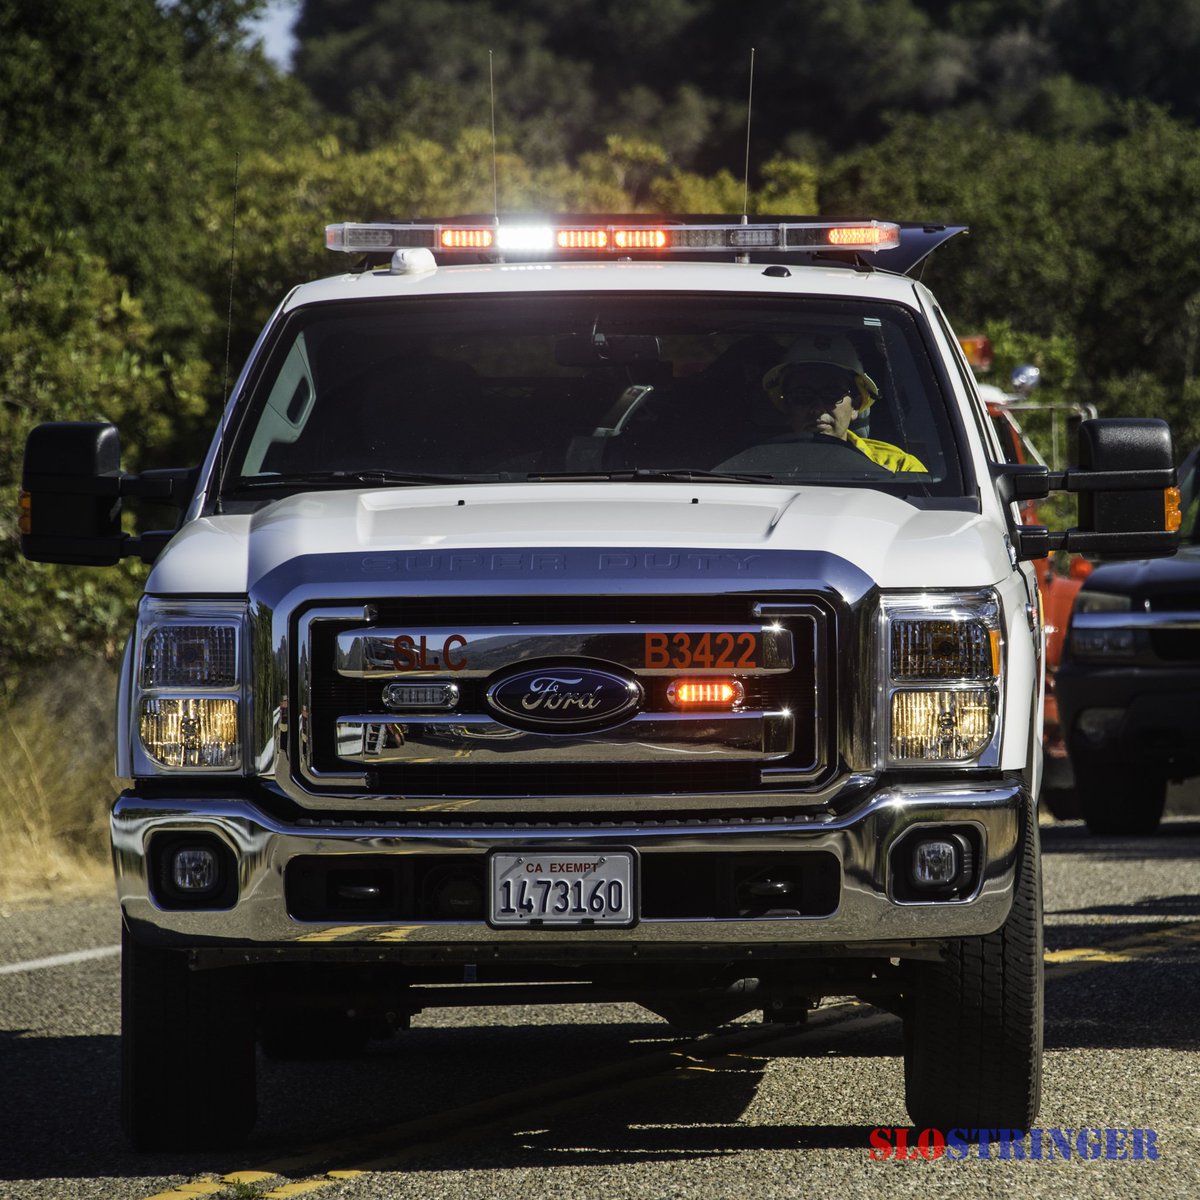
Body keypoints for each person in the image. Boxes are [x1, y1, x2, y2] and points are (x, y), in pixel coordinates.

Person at [762, 334, 927, 473]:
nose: (817, 408)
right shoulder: (759, 467)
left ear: (855, 406)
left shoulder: (900, 467)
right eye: (803, 396)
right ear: (787, 406)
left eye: (831, 395)